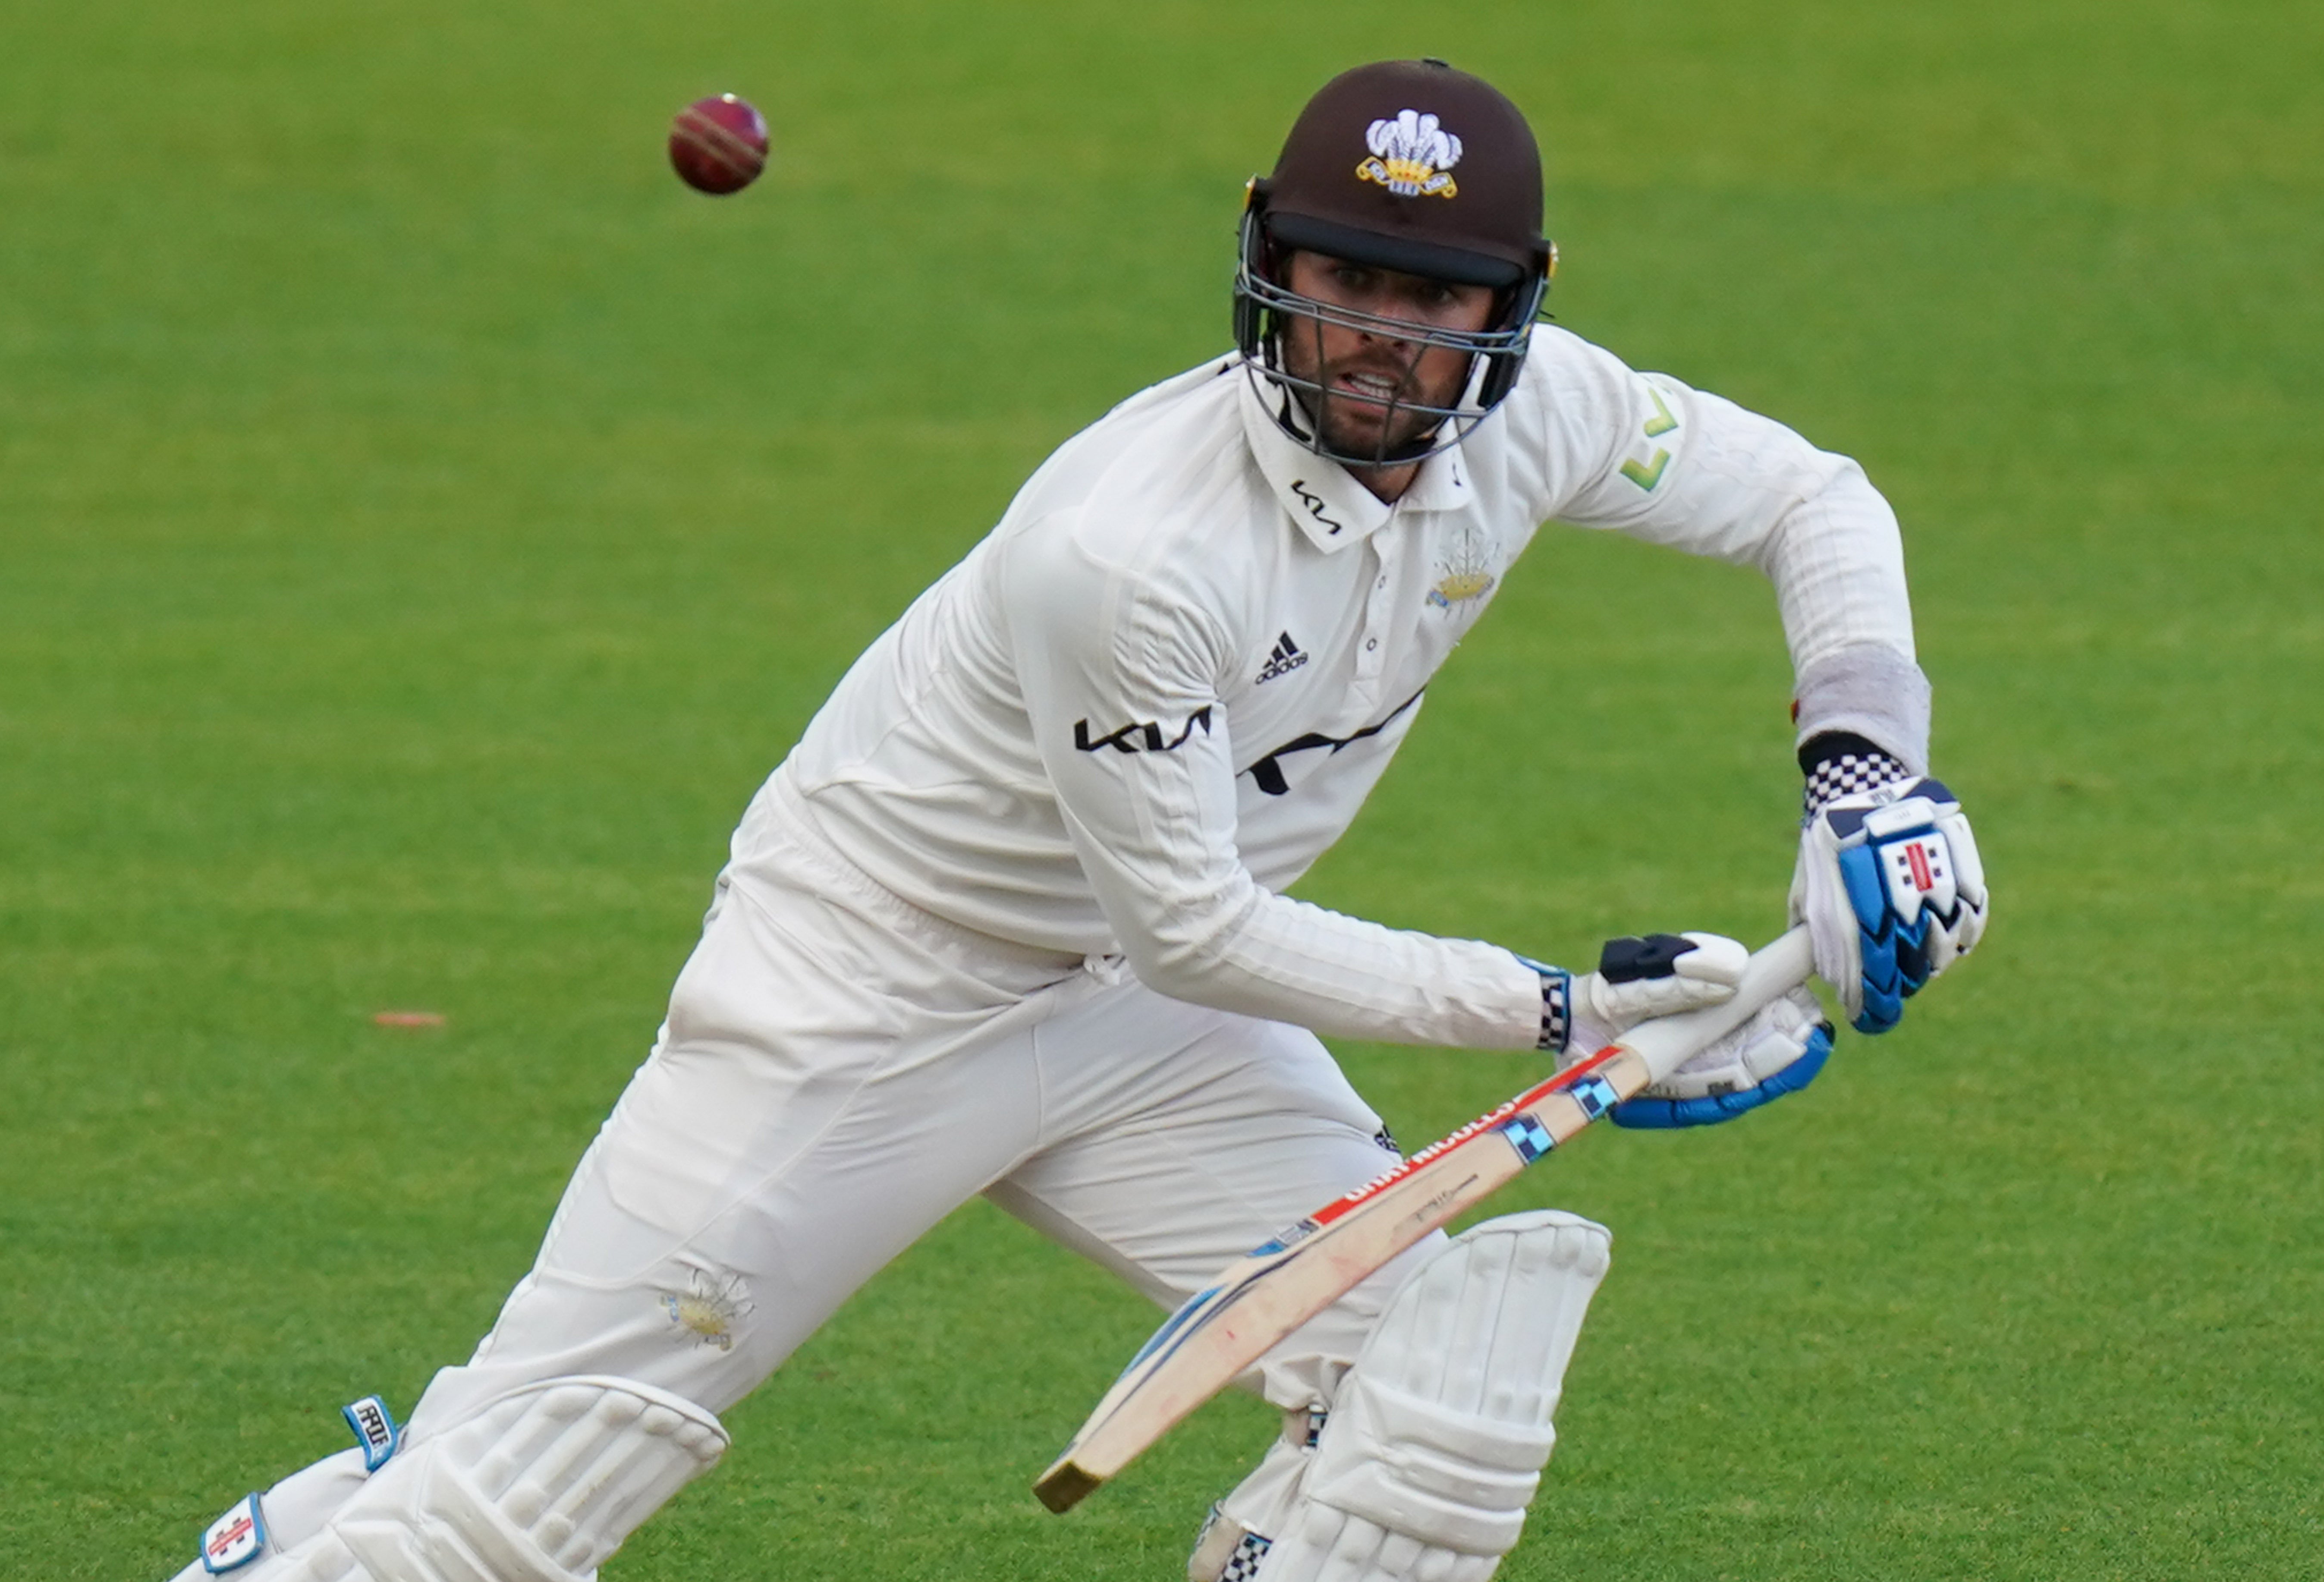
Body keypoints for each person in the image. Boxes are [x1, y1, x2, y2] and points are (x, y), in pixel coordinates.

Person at [169, 57, 1987, 1582]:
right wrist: (1569, 1017)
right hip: (865, 995)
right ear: (1269, 264)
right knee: (515, 1501)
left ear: (1514, 304)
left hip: (1147, 1027)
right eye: (1338, 280)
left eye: (1430, 303)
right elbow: (1205, 922)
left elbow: (1815, 502)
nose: (1376, 342)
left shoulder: (1554, 413)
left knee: (1430, 1400)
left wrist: (1865, 775)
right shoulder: (1128, 547)